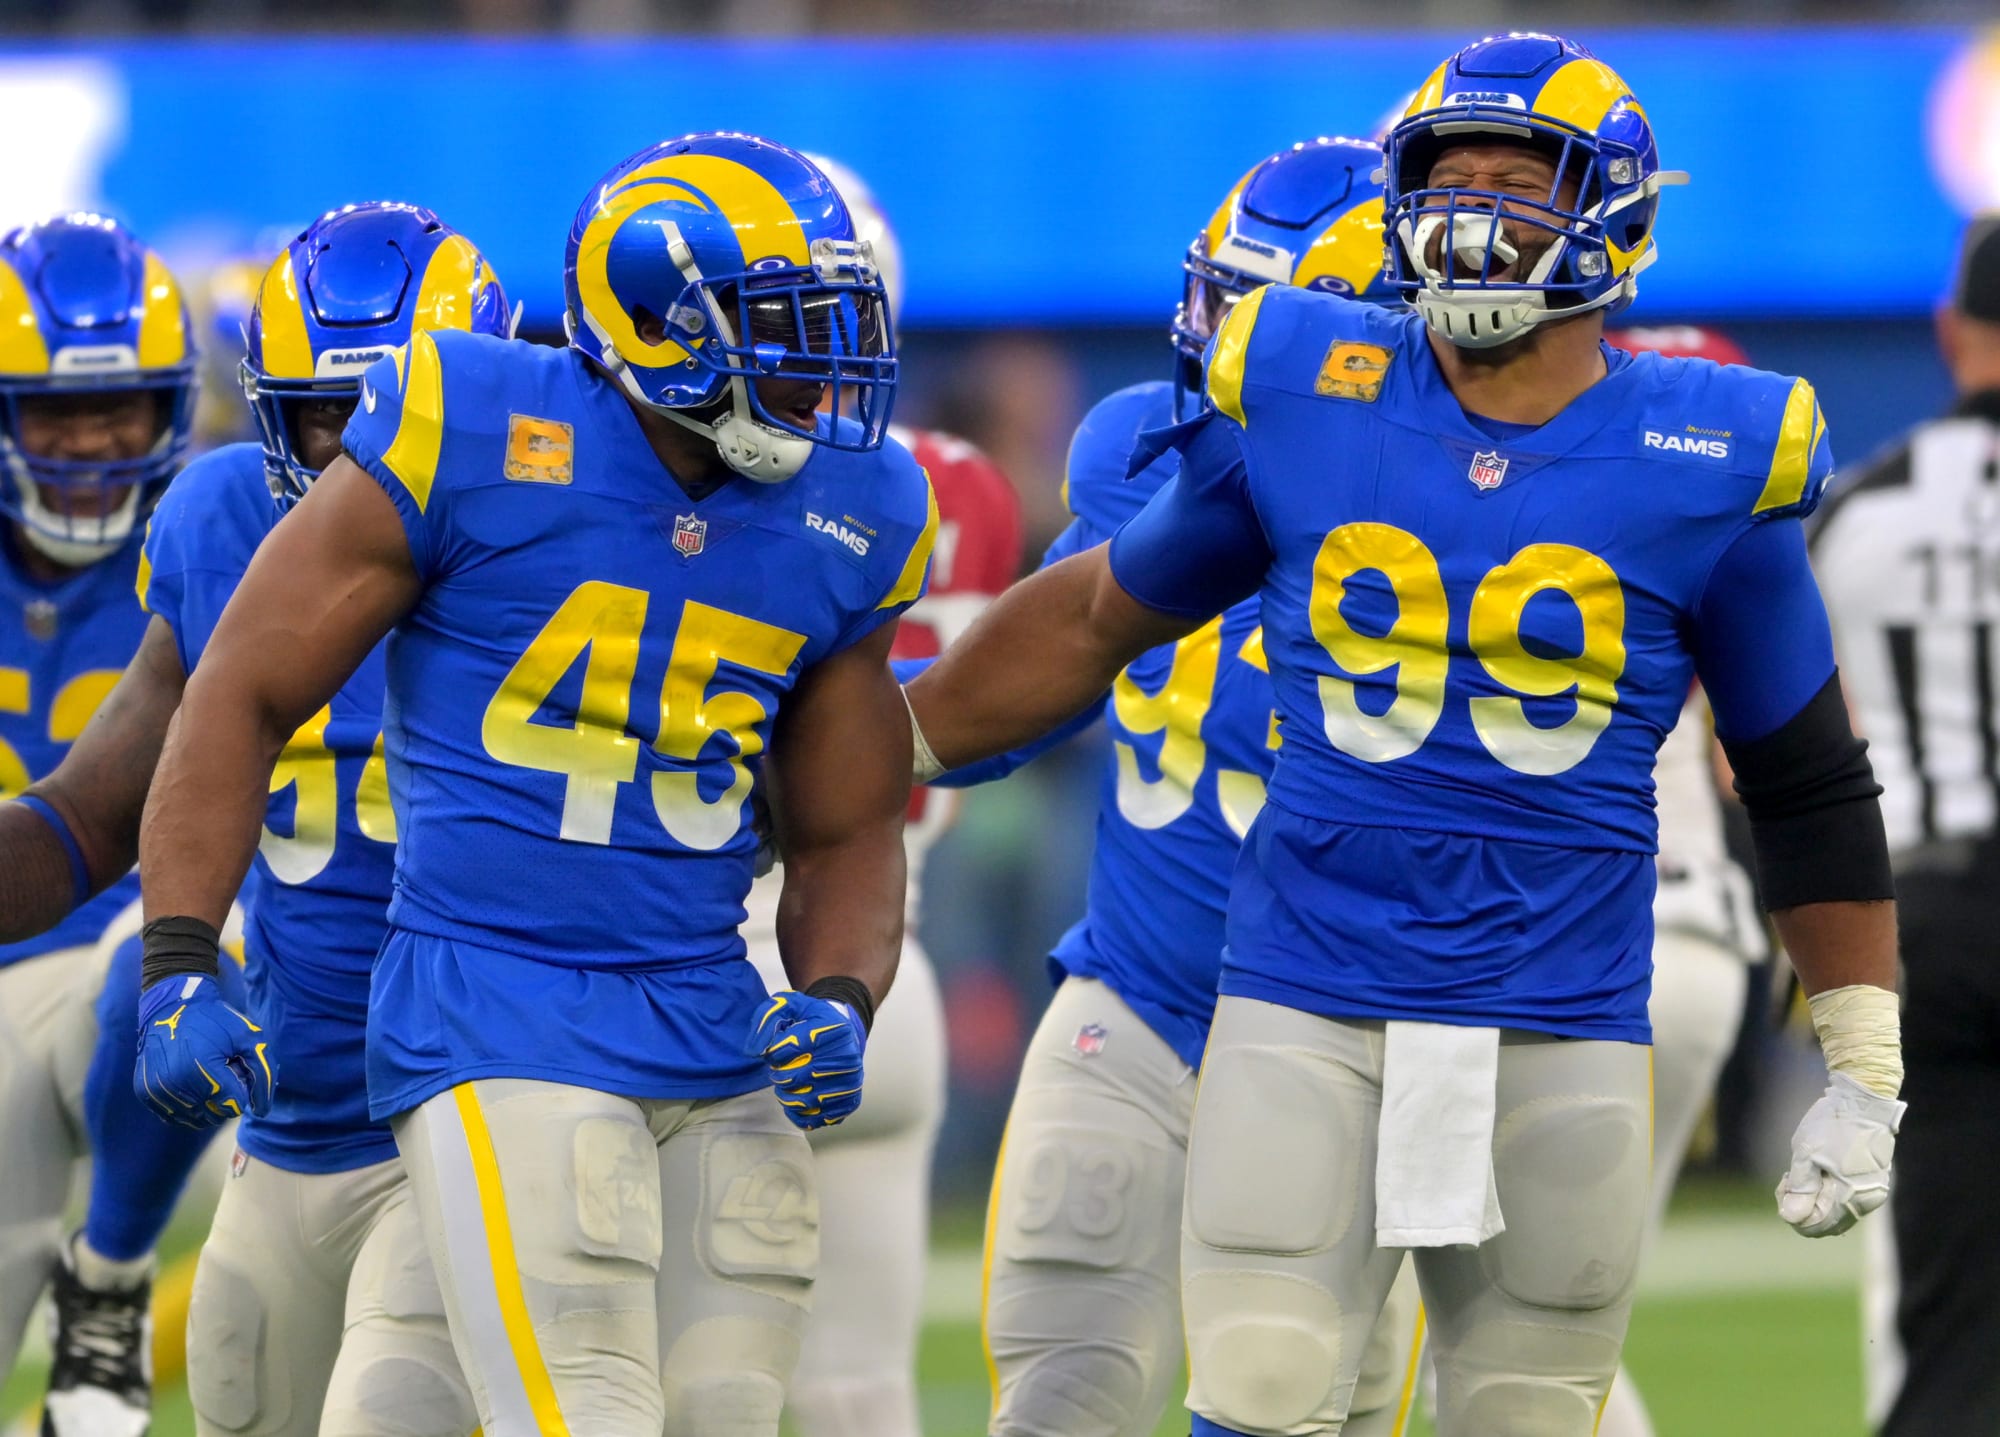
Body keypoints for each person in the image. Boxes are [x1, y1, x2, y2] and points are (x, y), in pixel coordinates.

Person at [904, 33, 1903, 1436]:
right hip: (1308, 987)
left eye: (1519, 177)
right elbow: (1091, 617)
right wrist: (889, 750)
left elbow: (1804, 772)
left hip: (1562, 1012)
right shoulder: (1309, 392)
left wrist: (1863, 1053)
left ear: (1614, 210)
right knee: (1255, 1388)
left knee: (1528, 1410)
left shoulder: (1711, 453)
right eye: (1452, 174)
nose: (1477, 208)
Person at [129, 133, 935, 1437]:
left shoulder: (858, 506)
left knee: (726, 1412)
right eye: (782, 331)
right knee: (585, 1407)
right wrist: (177, 953)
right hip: (497, 1008)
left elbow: (847, 823)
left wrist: (840, 993)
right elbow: (244, 692)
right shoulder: (470, 422)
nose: (820, 371)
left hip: (709, 1017)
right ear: (660, 323)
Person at [917, 136, 1424, 1437]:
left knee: (1310, 1414)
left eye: (1265, 321)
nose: (1222, 351)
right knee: (1056, 1395)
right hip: (1137, 1006)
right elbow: (1059, 653)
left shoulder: (1472, 525)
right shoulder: (1138, 451)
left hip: (1362, 1040)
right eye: (1221, 304)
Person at [4, 201, 508, 1436]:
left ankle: (111, 1274)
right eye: (322, 419)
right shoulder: (224, 521)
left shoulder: (563, 528)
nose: (358, 459)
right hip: (298, 1119)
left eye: (393, 415)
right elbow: (89, 814)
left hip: (488, 1098)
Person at [734, 154, 1023, 1437]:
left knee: (687, 1380)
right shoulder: (957, 485)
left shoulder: (745, 490)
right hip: (881, 971)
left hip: (728, 954)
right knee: (860, 1395)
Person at [0, 211, 221, 1436]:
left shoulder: (221, 536)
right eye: (55, 414)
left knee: (179, 951)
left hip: (131, 980)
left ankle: (113, 1279)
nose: (89, 444)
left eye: (119, 410)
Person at [1813, 213, 2000, 1437]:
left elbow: (1773, 752)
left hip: (1927, 922)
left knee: (1952, 1315)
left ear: (1949, 332)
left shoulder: (1855, 510)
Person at [1594, 325, 1769, 1437]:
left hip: (1591, 946)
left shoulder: (1508, 452)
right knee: (1546, 1328)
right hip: (1695, 928)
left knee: (1508, 1332)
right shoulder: (1686, 454)